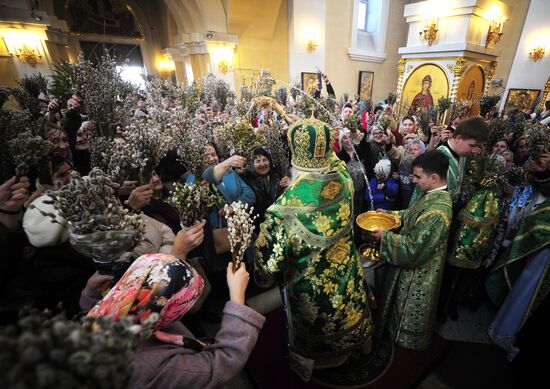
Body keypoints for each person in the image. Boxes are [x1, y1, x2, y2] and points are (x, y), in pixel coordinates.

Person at [254, 117, 373, 382]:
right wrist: (316, 135)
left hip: (313, 294)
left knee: (315, 325)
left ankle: (311, 362)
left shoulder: (281, 211)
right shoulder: (343, 178)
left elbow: (265, 274)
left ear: (293, 156)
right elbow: (332, 158)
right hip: (349, 275)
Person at [81, 232, 265, 388]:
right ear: (169, 312)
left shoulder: (107, 316)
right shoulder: (152, 367)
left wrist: (90, 296)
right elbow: (222, 362)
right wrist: (237, 299)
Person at [372, 150, 453, 350]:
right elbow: (412, 214)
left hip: (419, 273)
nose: (413, 180)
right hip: (413, 264)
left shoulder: (438, 210)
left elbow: (415, 249)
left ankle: (403, 340)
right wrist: (390, 215)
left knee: (405, 308)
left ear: (434, 178)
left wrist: (385, 237)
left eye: (417, 176)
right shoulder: (430, 195)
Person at [241, 147, 290, 229]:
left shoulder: (278, 176)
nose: (262, 164)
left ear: (269, 161)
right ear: (252, 164)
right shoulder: (246, 181)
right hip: (257, 227)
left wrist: (290, 184)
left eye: (265, 160)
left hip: (278, 224)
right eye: (258, 161)